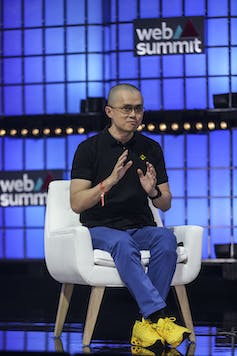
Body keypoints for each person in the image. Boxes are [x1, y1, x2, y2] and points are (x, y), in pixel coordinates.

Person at [70, 83, 191, 352]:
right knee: (122, 244)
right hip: (99, 228)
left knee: (166, 240)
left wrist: (154, 190)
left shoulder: (151, 148)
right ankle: (159, 317)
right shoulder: (89, 149)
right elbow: (76, 203)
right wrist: (108, 183)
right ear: (109, 111)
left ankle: (145, 324)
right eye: (127, 108)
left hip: (140, 227)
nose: (133, 114)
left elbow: (165, 204)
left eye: (138, 109)